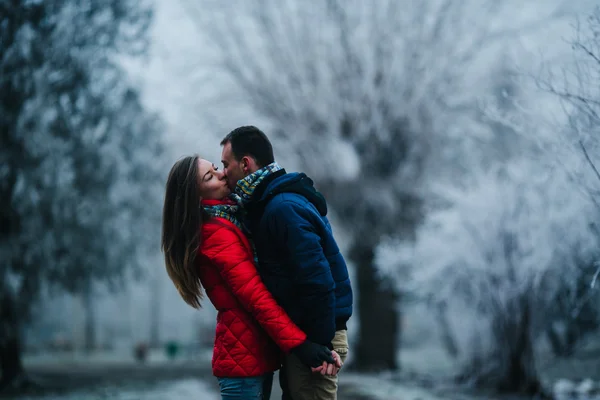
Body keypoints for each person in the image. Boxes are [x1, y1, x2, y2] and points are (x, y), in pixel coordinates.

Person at [161, 156, 340, 400]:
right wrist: (300, 344)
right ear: (195, 198)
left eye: (215, 168)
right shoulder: (215, 236)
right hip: (243, 364)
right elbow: (256, 296)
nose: (222, 174)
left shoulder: (229, 219)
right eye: (209, 177)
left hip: (251, 356)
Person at [220, 126, 354, 400]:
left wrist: (316, 346)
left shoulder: (282, 208)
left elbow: (317, 281)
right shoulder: (270, 204)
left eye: (225, 164)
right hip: (308, 337)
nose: (223, 173)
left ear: (245, 164)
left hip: (317, 339)